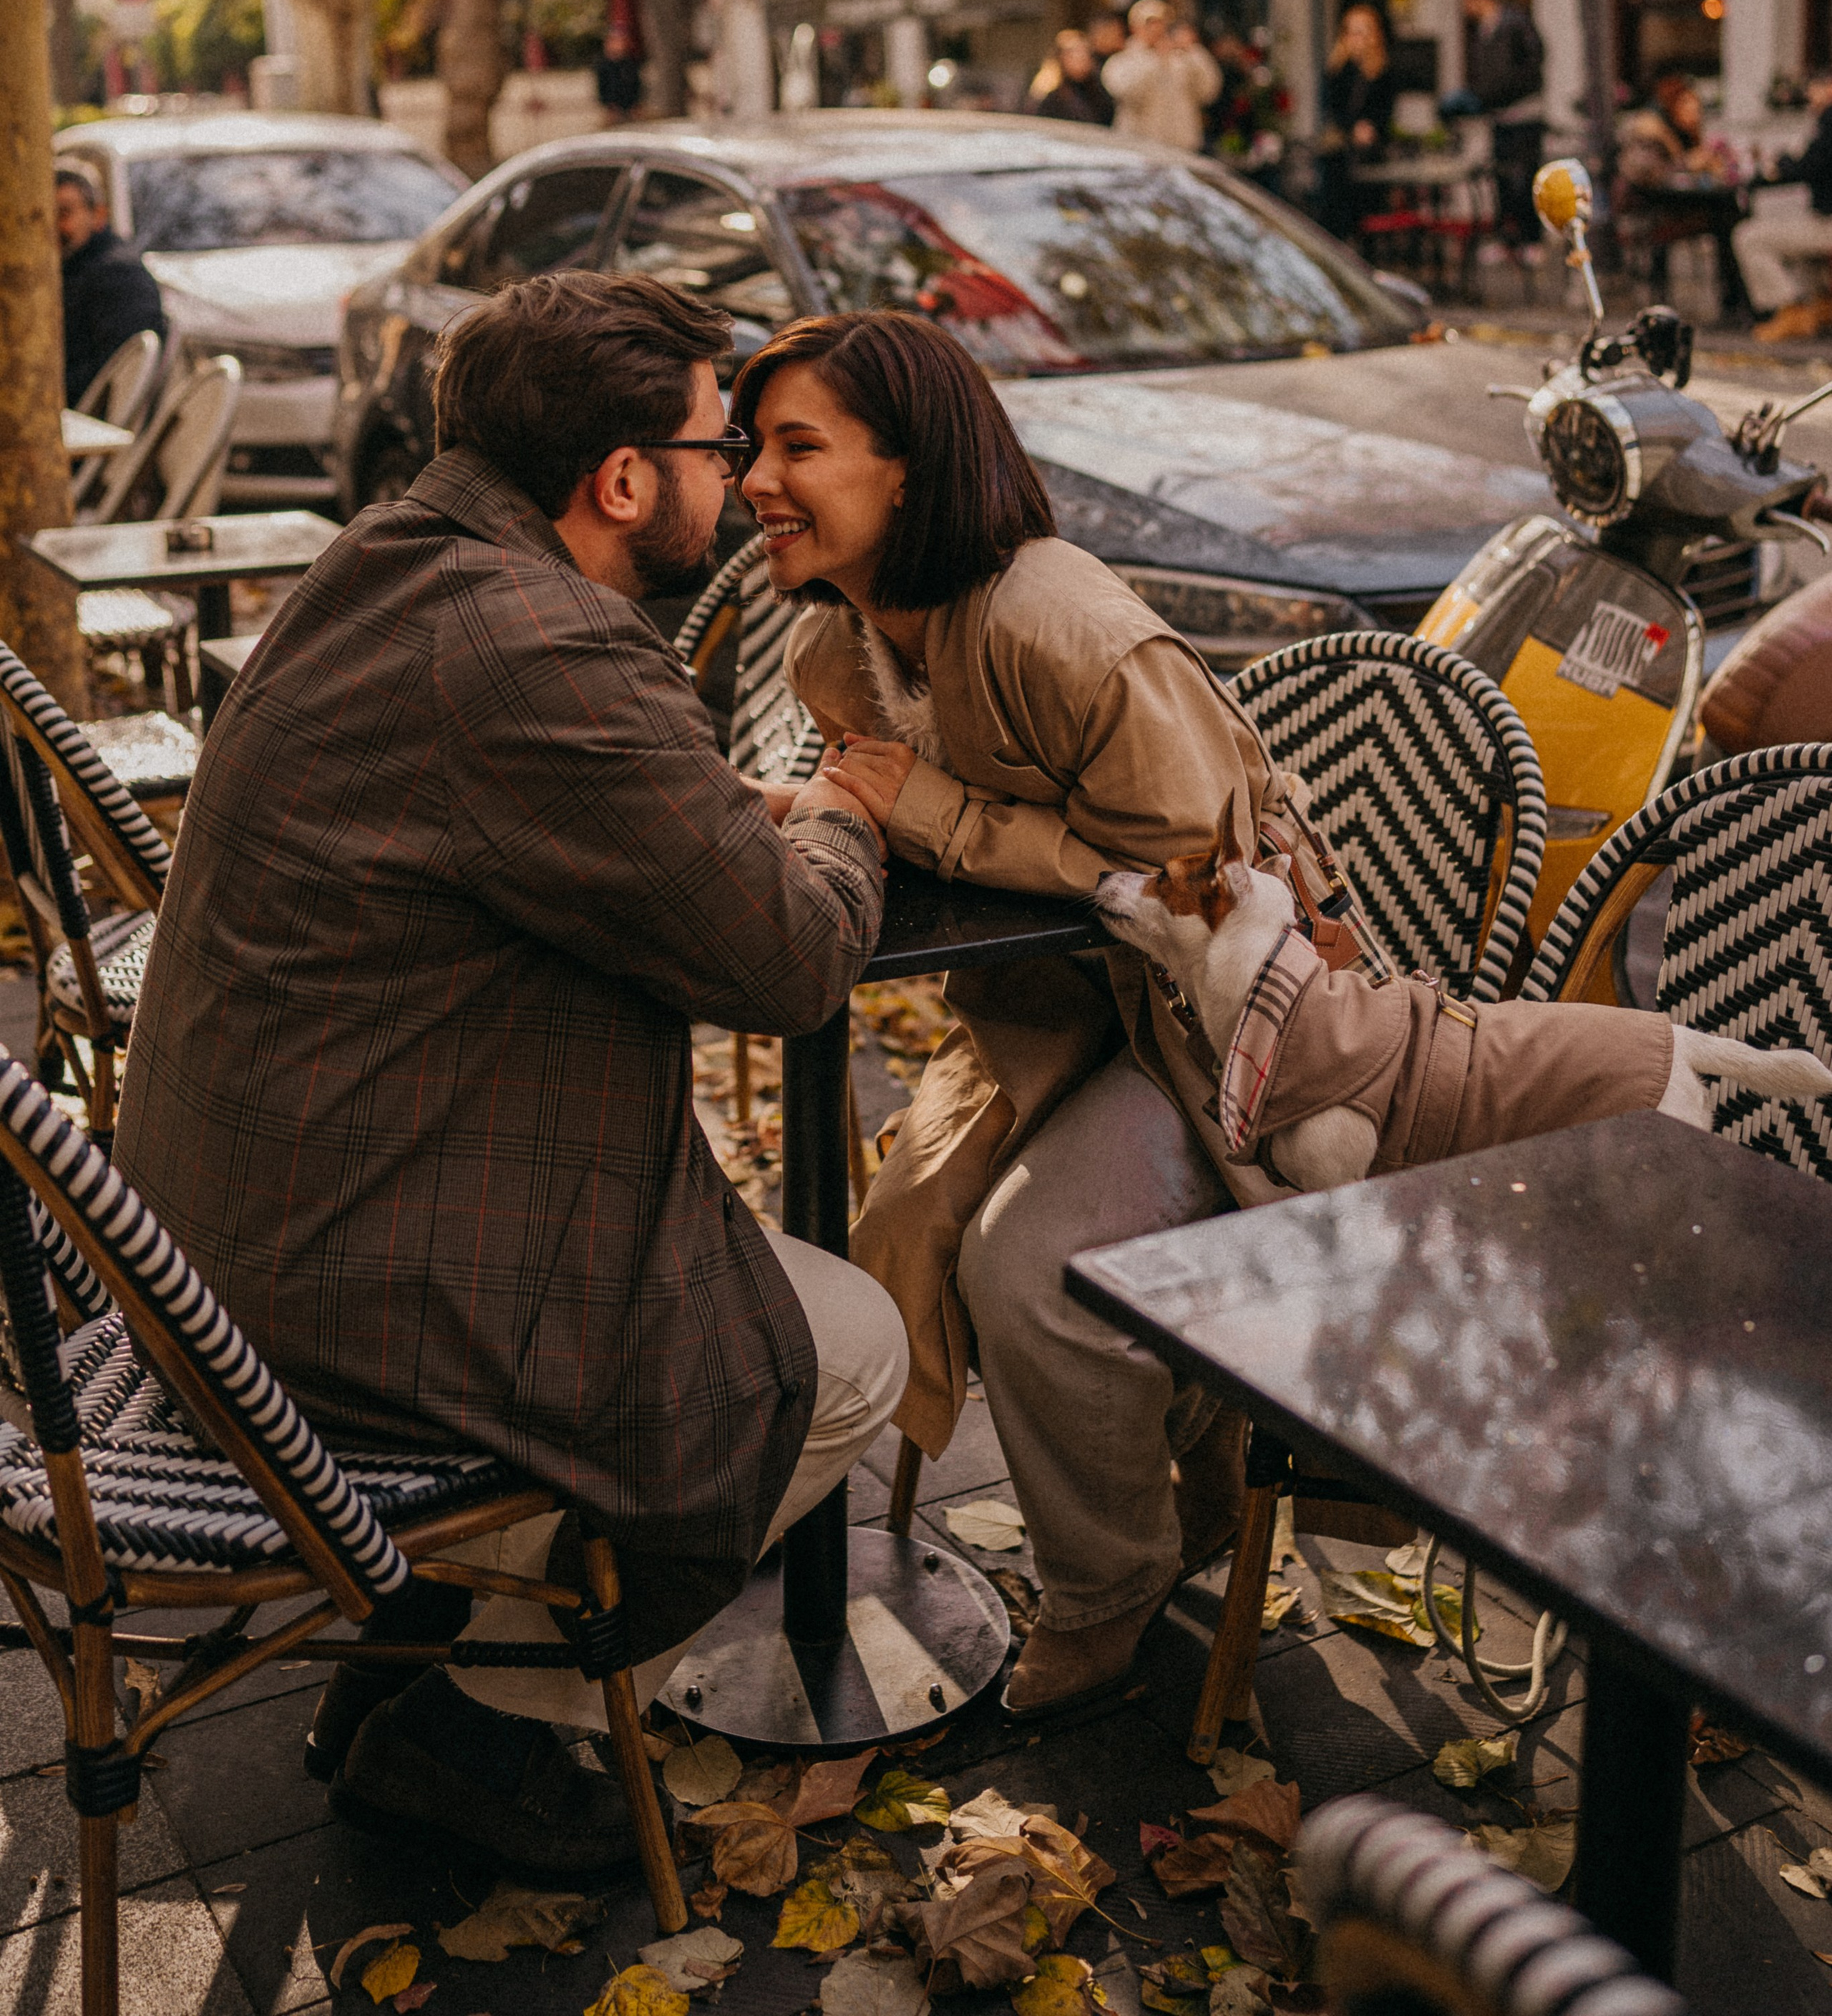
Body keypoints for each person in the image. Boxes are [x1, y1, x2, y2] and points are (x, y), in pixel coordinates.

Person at [731, 311, 1683, 1720]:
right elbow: (890, 818)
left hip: (1222, 1026)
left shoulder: (1052, 620)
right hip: (1055, 1023)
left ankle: (1110, 1591)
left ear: (911, 473)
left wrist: (929, 813)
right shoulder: (834, 650)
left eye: (793, 445)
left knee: (1024, 1267)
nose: (754, 476)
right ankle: (1188, 1478)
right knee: (910, 1233)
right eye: (749, 444)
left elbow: (1201, 880)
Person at [112, 271, 905, 1883]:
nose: (746, 479)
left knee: (748, 1285)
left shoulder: (395, 558)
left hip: (209, 1234)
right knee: (848, 1349)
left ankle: (422, 1640)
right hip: (330, 1298)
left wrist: (703, 810)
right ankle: (470, 1710)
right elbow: (793, 966)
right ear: (621, 481)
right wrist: (846, 808)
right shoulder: (540, 644)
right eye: (717, 444)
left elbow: (545, 808)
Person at [1614, 74, 1749, 320]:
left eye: (1697, 107)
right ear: (1673, 105)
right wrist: (1689, 163)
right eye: (1688, 105)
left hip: (1678, 205)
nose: (1695, 113)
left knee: (1730, 215)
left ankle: (1738, 298)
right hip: (1652, 212)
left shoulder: (1683, 132)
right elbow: (1648, 176)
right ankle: (1734, 300)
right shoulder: (1651, 132)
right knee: (1724, 220)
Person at [1733, 67, 1832, 341]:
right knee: (1799, 233)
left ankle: (1789, 310)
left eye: (1813, 88)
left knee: (1749, 237)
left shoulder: (1830, 118)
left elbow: (1811, 164)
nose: (1809, 96)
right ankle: (1821, 305)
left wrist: (1778, 166)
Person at [55, 163, 165, 404]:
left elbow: (118, 371)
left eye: (64, 213)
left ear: (99, 215)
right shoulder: (72, 265)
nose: (53, 226)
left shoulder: (117, 274)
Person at [1456, 0, 1546, 252]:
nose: (1464, 7)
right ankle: (1508, 239)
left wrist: (1501, 91)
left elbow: (1534, 62)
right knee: (1502, 181)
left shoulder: (1515, 22)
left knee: (1525, 180)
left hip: (1524, 116)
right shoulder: (1483, 30)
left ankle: (1532, 240)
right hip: (1499, 116)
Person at [1313, 4, 1396, 244]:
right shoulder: (1337, 69)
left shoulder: (1382, 69)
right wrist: (1352, 128)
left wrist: (1370, 128)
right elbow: (1332, 109)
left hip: (1370, 152)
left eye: (1362, 32)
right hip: (1340, 151)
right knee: (1336, 208)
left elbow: (1386, 111)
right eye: (1351, 32)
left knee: (1367, 210)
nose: (1356, 38)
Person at [1101, 0, 1221, 150]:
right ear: (1134, 27)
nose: (1157, 28)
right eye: (1150, 23)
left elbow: (1208, 92)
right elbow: (1129, 93)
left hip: (1183, 148)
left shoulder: (1181, 59)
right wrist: (1155, 60)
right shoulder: (1121, 62)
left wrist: (1193, 51)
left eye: (1161, 22)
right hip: (1142, 149)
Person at [1028, 26, 1116, 125]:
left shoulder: (1098, 89)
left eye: (1085, 54)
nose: (1082, 59)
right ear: (1062, 58)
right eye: (1075, 55)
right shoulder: (1050, 94)